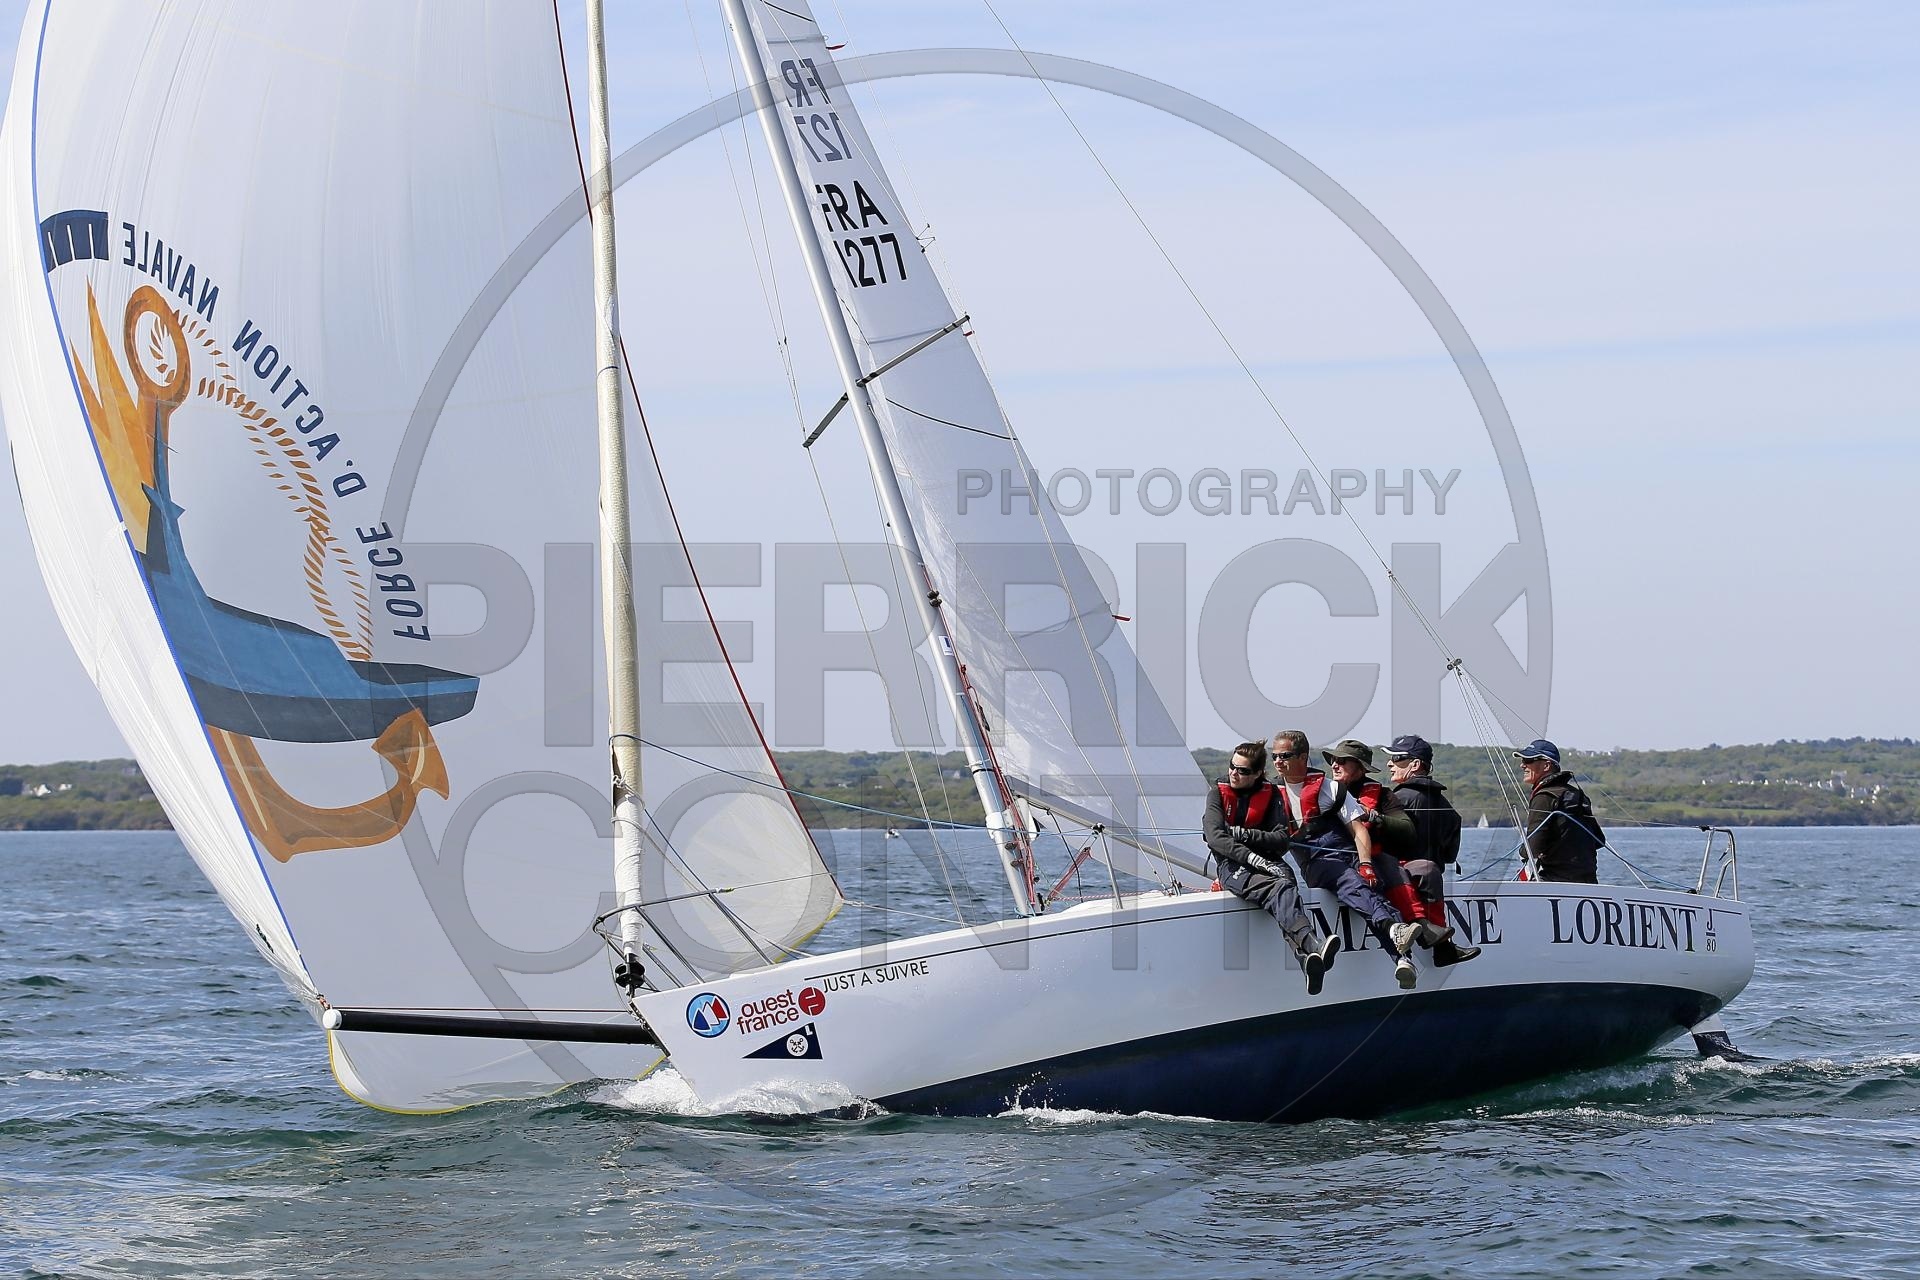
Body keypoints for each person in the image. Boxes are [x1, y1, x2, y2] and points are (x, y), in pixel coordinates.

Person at [1269, 732, 1431, 990]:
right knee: (1351, 882)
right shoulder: (1270, 795)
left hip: (1348, 852)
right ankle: (1395, 933)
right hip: (1318, 861)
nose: (1278, 761)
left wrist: (1366, 864)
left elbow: (1358, 831)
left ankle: (1403, 960)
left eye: (1285, 756)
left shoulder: (1330, 789)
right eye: (1275, 756)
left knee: (1372, 888)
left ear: (1303, 757)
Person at [1205, 741, 1341, 995]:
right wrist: (1252, 857)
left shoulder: (1271, 794)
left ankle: (1306, 959)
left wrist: (1245, 834)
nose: (1234, 773)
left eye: (1243, 770)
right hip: (1232, 865)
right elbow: (1215, 837)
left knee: (1286, 884)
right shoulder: (1217, 794)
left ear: (1258, 773)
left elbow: (1281, 840)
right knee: (1278, 888)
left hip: (1269, 860)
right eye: (1232, 766)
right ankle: (1312, 945)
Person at [1385, 735, 1480, 967]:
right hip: (1431, 879)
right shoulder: (1444, 803)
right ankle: (1443, 948)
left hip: (1401, 882)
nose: (1389, 763)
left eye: (1396, 758)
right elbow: (1449, 855)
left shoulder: (1397, 799)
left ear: (1415, 765)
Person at [1515, 739, 1604, 883]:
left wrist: (1522, 852)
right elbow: (1599, 840)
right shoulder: (1577, 794)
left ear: (1546, 765)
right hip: (1588, 882)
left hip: (1556, 881)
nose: (1522, 765)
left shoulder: (1544, 797)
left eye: (1528, 760)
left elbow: (1533, 848)